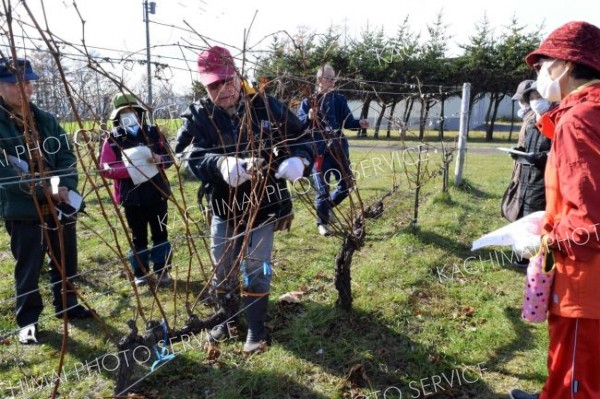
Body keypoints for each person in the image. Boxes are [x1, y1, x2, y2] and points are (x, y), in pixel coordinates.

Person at [175, 46, 314, 354]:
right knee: (222, 266)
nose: (223, 90)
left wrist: (301, 161)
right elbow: (184, 154)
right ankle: (225, 316)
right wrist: (219, 165)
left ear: (237, 75)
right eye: (213, 85)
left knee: (257, 266)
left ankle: (255, 326)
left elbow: (303, 135)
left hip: (263, 205)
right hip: (223, 208)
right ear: (203, 85)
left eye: (227, 80)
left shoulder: (265, 106)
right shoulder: (200, 115)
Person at [509, 21, 600, 399]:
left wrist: (545, 237)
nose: (540, 73)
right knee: (569, 364)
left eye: (542, 64)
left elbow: (591, 216)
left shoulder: (579, 119)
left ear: (564, 65)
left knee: (579, 372)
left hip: (586, 278)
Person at [0, 58, 92, 344]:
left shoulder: (46, 119)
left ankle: (68, 306)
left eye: (28, 82)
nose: (24, 89)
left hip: (60, 204)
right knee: (28, 267)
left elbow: (65, 156)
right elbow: (6, 174)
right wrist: (46, 189)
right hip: (23, 209)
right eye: (15, 83)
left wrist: (64, 187)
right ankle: (27, 323)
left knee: (65, 258)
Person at [100, 93, 173, 286]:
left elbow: (170, 158)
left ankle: (162, 270)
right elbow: (106, 168)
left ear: (139, 113)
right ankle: (140, 272)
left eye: (132, 111)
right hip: (132, 198)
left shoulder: (154, 133)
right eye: (124, 112)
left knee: (160, 232)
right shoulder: (112, 139)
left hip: (157, 194)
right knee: (138, 235)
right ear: (117, 116)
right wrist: (131, 170)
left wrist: (159, 160)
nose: (129, 115)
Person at [297, 63, 369, 236]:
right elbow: (299, 127)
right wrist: (308, 118)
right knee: (323, 188)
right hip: (319, 151)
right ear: (320, 79)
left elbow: (348, 122)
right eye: (330, 78)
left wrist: (359, 123)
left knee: (347, 184)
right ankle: (322, 222)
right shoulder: (308, 102)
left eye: (334, 78)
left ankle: (326, 209)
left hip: (338, 149)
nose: (334, 82)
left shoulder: (339, 99)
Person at [506, 80, 553, 267]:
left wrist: (540, 157)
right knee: (524, 217)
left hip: (543, 180)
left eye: (539, 97)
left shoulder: (554, 120)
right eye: (532, 97)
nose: (535, 101)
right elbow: (527, 145)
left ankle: (536, 258)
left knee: (537, 218)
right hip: (526, 175)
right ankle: (524, 256)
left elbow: (558, 152)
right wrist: (519, 151)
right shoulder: (533, 119)